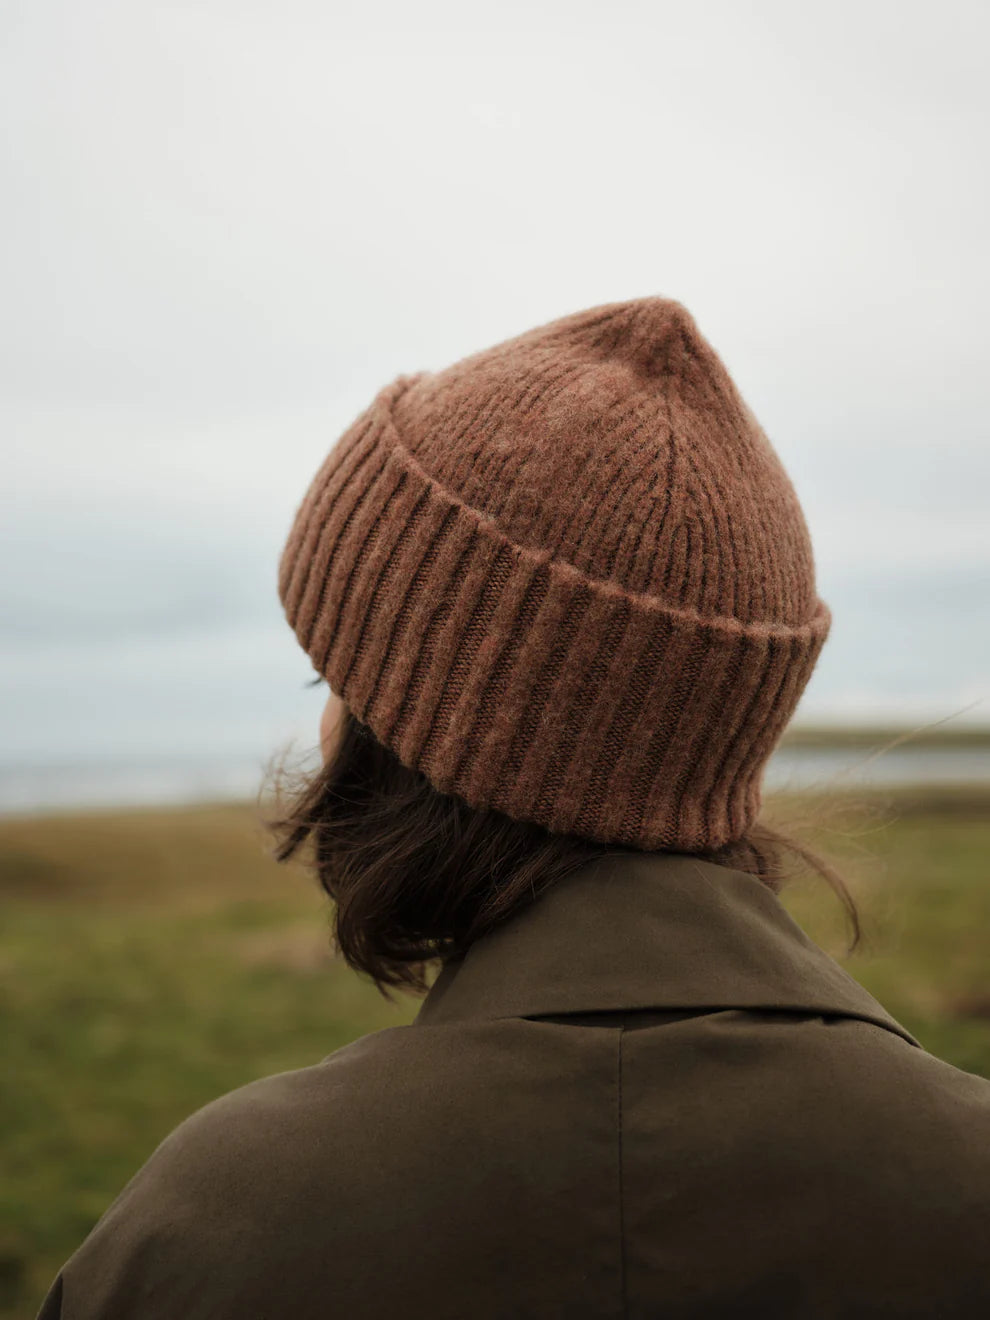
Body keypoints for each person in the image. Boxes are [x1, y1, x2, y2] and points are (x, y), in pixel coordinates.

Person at [37, 298, 990, 1318]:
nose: (322, 732)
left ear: (428, 737)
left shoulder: (209, 1226)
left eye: (334, 684)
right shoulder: (962, 1172)